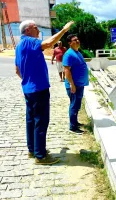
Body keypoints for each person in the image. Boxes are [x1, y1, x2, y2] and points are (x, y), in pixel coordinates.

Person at [15, 20, 74, 165]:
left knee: (31, 120)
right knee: (41, 121)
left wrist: (28, 80)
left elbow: (17, 70)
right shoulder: (30, 41)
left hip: (28, 89)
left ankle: (33, 149)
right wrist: (64, 30)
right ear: (27, 30)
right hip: (38, 89)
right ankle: (40, 156)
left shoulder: (19, 45)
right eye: (35, 27)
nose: (38, 29)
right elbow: (48, 44)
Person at [63, 34, 89, 134]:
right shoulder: (69, 54)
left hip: (80, 84)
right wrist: (71, 84)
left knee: (77, 105)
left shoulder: (77, 52)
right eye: (75, 40)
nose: (77, 41)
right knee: (74, 105)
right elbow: (67, 70)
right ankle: (73, 127)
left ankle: (75, 122)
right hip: (74, 86)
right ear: (69, 43)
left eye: (78, 39)